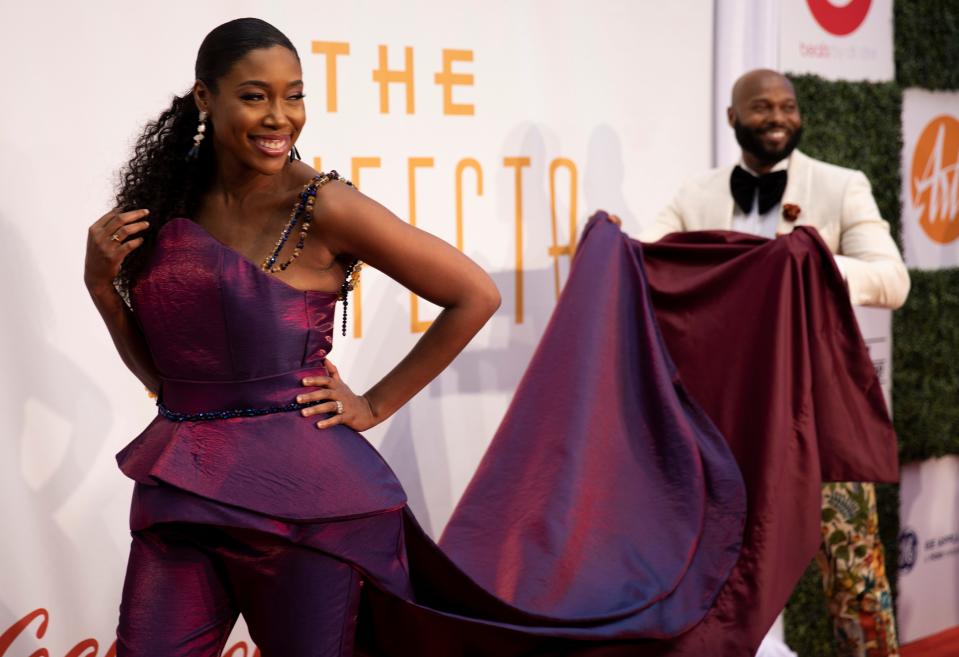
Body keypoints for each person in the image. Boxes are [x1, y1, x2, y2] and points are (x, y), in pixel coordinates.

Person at [641, 68, 908, 657]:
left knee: (854, 576)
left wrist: (810, 266)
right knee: (714, 572)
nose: (779, 117)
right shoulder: (696, 195)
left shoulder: (840, 186)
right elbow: (648, 262)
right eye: (762, 108)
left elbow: (893, 280)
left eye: (788, 106)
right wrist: (615, 242)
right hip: (724, 422)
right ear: (733, 118)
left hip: (819, 415)